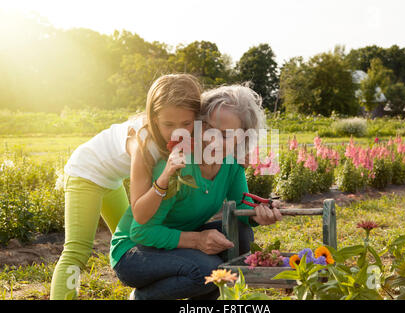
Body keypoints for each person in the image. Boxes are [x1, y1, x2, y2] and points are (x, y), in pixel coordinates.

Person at [110, 85, 283, 300]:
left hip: (173, 245)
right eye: (208, 127)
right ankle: (143, 298)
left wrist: (258, 213)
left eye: (226, 135)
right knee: (210, 271)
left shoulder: (230, 163)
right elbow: (141, 232)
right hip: (134, 253)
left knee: (241, 234)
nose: (212, 140)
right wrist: (197, 240)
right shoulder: (178, 165)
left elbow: (240, 207)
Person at [50, 74, 203, 300]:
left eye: (185, 124)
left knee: (134, 241)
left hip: (111, 180)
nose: (176, 131)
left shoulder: (190, 134)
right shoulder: (141, 142)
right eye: (168, 124)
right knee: (77, 251)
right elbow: (142, 206)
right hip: (86, 171)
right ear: (153, 118)